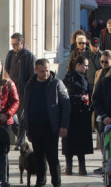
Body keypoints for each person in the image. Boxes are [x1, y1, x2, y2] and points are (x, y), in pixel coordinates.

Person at [23, 59, 70, 187]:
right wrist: (27, 127)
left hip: (51, 127)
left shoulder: (56, 83)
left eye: (47, 70)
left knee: (52, 157)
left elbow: (66, 105)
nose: (46, 73)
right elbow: (26, 105)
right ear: (36, 71)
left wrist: (63, 126)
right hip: (35, 127)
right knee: (39, 157)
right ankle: (40, 181)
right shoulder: (31, 84)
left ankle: (56, 182)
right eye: (42, 71)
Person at [62, 55, 94, 175]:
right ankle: (69, 166)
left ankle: (82, 166)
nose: (86, 68)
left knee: (82, 142)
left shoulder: (84, 78)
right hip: (71, 114)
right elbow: (65, 96)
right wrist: (79, 98)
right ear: (78, 65)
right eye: (85, 65)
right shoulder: (69, 78)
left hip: (83, 114)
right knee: (69, 142)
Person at [5, 32, 37, 148]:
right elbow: (7, 69)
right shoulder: (11, 54)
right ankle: (20, 136)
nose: (13, 47)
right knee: (11, 115)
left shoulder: (29, 56)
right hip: (12, 90)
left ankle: (20, 142)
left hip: (24, 91)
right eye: (12, 44)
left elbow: (32, 76)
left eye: (15, 44)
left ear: (21, 43)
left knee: (22, 116)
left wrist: (29, 91)